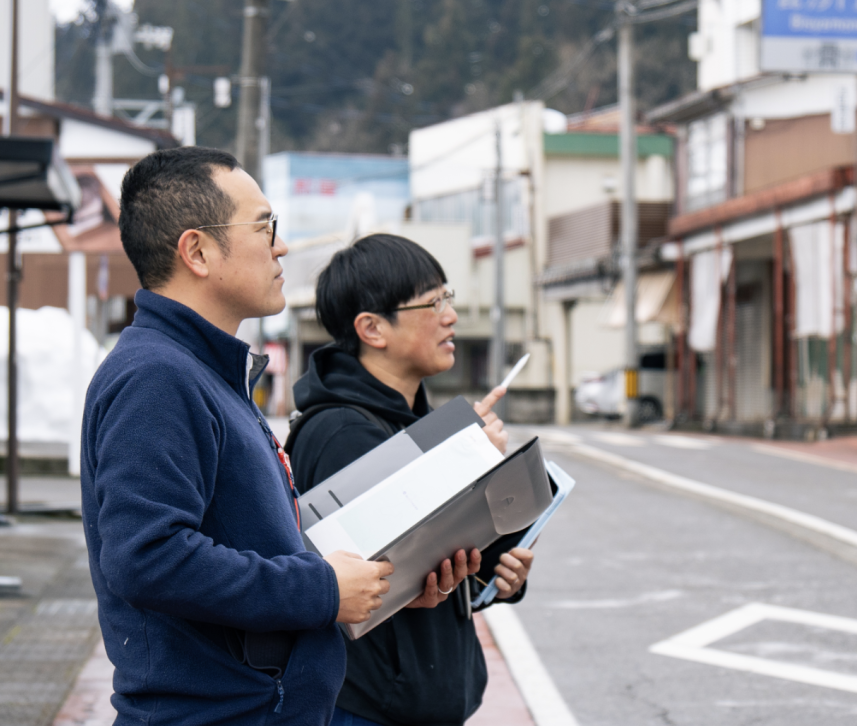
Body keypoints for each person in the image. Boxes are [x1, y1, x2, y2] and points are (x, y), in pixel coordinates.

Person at [80, 147, 394, 725]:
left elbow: (250, 541)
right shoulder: (157, 377)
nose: (280, 246)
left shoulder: (201, 371)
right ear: (197, 251)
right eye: (264, 226)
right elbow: (147, 557)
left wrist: (381, 581)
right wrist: (322, 590)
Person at [289, 233, 534, 726]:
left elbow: (444, 555)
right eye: (432, 301)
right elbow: (367, 581)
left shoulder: (413, 425)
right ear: (373, 328)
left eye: (449, 297)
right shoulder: (339, 431)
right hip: (367, 705)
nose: (450, 315)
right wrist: (466, 464)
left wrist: (497, 572)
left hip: (413, 701)